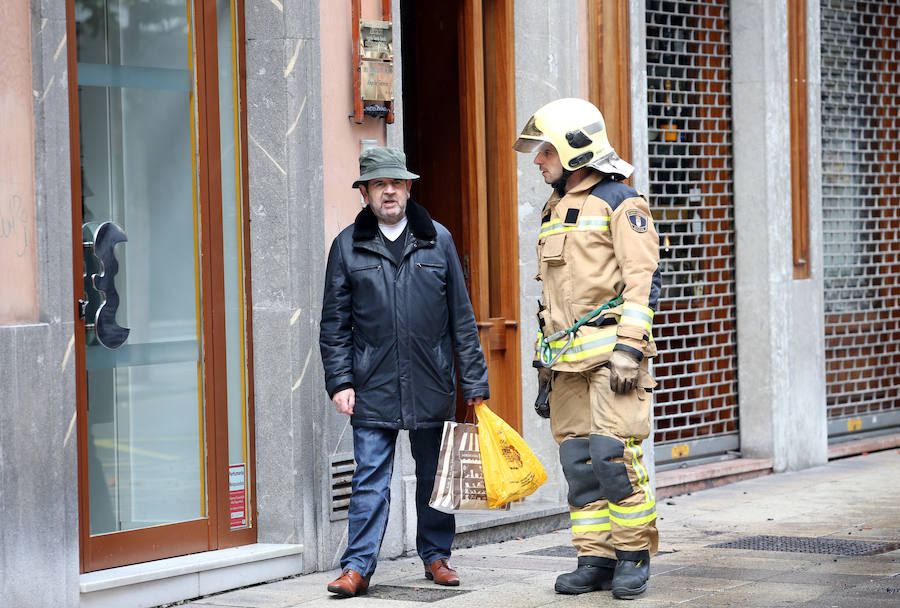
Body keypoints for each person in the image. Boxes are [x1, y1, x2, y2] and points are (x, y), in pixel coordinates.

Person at [319, 146, 490, 597]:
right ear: (365, 193)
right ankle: (357, 567)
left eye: (396, 183)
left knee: (435, 477)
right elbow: (334, 324)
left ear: (409, 189)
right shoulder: (346, 246)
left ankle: (437, 557)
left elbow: (461, 318)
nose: (389, 191)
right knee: (369, 479)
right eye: (379, 184)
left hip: (431, 380)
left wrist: (474, 382)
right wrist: (340, 381)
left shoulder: (438, 239)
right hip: (371, 383)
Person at [513, 98, 661, 600]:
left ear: (576, 151)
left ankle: (633, 556)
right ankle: (594, 558)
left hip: (612, 358)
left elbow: (642, 281)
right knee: (578, 462)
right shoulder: (555, 207)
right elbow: (554, 296)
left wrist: (630, 349)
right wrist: (544, 362)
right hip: (565, 361)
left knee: (612, 457)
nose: (539, 160)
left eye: (547, 151)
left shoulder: (621, 201)